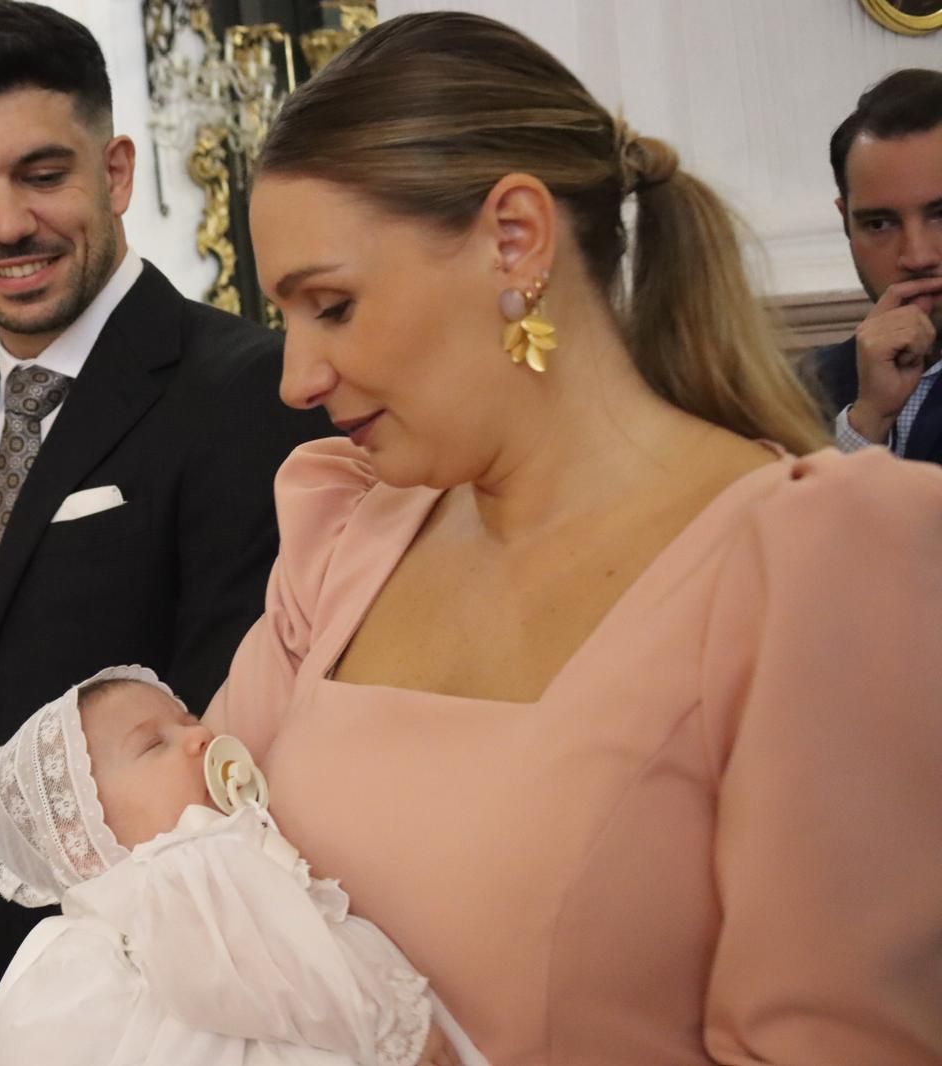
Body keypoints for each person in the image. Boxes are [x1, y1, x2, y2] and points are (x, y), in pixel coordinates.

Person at [206, 12, 942, 1066]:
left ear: (515, 238)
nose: (295, 377)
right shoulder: (343, 530)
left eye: (332, 305)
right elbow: (190, 854)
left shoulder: (812, 563)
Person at [0, 3, 331, 1062]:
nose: (7, 223)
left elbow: (239, 746)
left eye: (42, 172)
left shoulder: (248, 392)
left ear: (115, 171)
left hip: (167, 1014)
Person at [0, 666, 483, 1066]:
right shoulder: (181, 864)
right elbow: (284, 965)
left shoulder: (83, 935)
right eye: (153, 744)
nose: (199, 737)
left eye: (188, 720)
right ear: (86, 834)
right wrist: (396, 1029)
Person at [811, 69, 942, 463]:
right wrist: (866, 424)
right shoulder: (805, 388)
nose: (917, 257)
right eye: (879, 224)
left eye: (941, 214)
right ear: (845, 222)